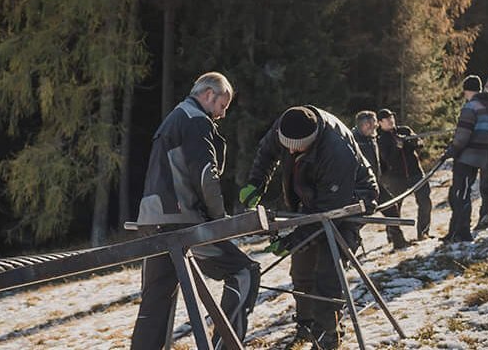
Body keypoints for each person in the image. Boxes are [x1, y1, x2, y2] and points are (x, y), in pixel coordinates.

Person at [130, 73, 259, 350]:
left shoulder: (175, 117)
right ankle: (228, 346)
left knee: (156, 300)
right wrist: (219, 220)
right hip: (181, 224)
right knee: (244, 272)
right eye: (223, 106)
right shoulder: (195, 120)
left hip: (153, 219)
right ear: (209, 95)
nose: (222, 114)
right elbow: (205, 175)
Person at [250, 107, 377, 350]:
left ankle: (328, 332)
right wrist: (256, 181)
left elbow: (325, 213)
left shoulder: (336, 151)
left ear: (312, 139)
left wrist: (291, 240)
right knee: (302, 268)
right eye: (286, 145)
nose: (290, 151)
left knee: (328, 269)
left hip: (349, 200)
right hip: (312, 201)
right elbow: (267, 152)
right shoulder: (287, 123)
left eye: (296, 147)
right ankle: (306, 324)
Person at [443, 75, 488, 243]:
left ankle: (461, 232)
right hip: (480, 156)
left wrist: (452, 149)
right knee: (460, 193)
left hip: (466, 157)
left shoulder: (471, 107)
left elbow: (462, 135)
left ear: (467, 91)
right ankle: (454, 231)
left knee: (460, 194)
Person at [373, 109, 430, 249]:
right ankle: (393, 237)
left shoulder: (405, 130)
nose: (390, 120)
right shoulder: (380, 140)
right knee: (394, 209)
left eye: (391, 117)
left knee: (425, 202)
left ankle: (423, 232)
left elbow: (420, 143)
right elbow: (388, 160)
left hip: (415, 173)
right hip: (396, 178)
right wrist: (397, 147)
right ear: (380, 123)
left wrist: (410, 142)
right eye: (386, 119)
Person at [350, 110, 385, 190]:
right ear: (366, 125)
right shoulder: (352, 140)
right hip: (361, 185)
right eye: (375, 122)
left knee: (391, 202)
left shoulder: (372, 137)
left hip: (375, 181)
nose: (377, 125)